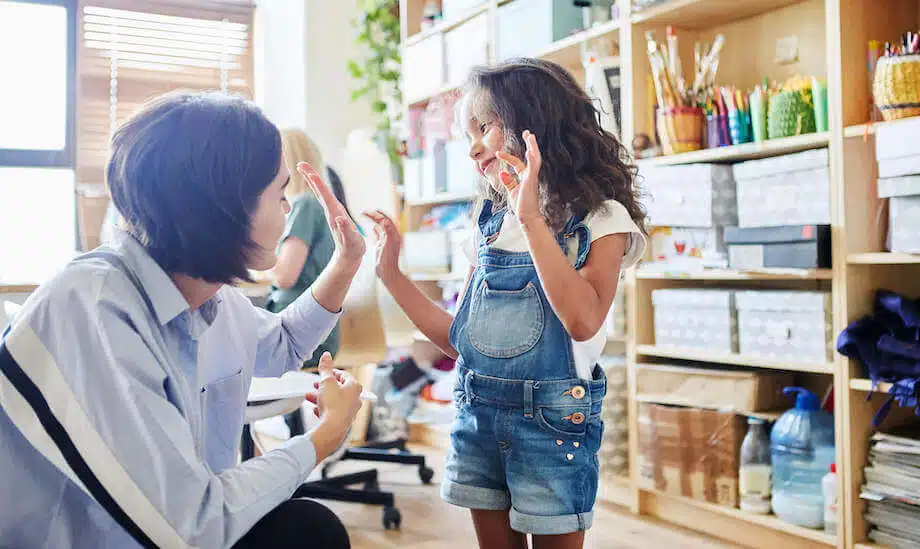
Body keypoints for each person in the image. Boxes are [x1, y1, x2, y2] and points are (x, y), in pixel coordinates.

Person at [0, 92, 366, 549]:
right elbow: (191, 528)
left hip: (170, 528)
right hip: (105, 537)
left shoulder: (214, 301)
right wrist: (325, 435)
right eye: (278, 193)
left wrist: (347, 261)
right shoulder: (91, 307)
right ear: (225, 208)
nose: (287, 207)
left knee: (309, 529)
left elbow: (286, 343)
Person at [365, 58, 647, 549]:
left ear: (534, 124)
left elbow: (582, 320)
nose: (473, 147)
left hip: (552, 427)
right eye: (467, 133)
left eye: (485, 127)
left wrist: (534, 219)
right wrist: (391, 274)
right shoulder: (489, 223)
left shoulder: (602, 220)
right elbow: (462, 340)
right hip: (478, 418)